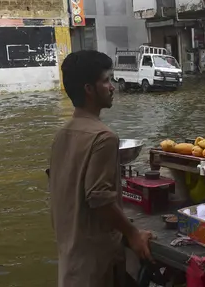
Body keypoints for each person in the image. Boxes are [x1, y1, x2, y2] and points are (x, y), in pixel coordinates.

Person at [49, 50, 154, 287]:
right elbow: (99, 198)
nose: (112, 87)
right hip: (97, 270)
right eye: (106, 80)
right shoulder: (104, 138)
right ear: (89, 89)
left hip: (71, 264)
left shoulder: (62, 135)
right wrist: (132, 234)